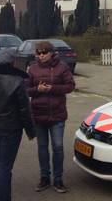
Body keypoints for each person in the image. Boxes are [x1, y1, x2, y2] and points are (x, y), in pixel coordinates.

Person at [0, 48, 36, 201]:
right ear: (12, 62)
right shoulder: (17, 81)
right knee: (5, 167)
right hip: (10, 129)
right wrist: (31, 131)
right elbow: (25, 109)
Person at [26, 41, 75, 193]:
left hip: (57, 114)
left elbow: (70, 86)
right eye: (38, 53)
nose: (41, 56)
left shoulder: (62, 67)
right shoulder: (32, 68)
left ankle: (58, 179)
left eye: (44, 53)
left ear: (51, 53)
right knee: (42, 147)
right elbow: (26, 89)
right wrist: (37, 89)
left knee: (58, 147)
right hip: (39, 114)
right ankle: (44, 178)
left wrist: (53, 88)